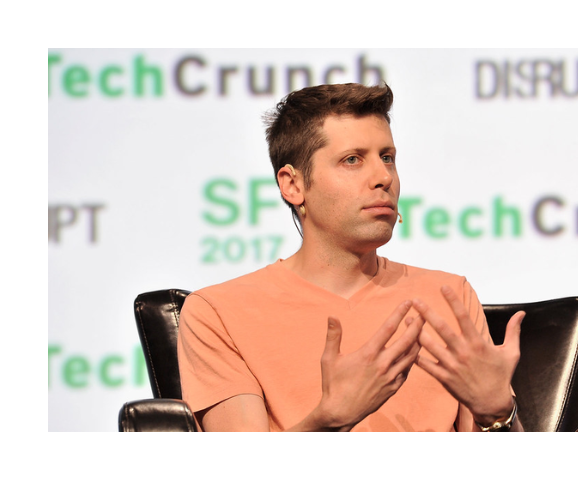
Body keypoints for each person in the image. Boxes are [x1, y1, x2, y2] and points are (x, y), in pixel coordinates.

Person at [177, 83, 526, 432]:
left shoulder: (449, 295)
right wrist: (329, 421)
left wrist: (496, 413)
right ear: (293, 185)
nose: (383, 177)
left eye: (387, 157)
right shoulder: (219, 312)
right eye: (352, 160)